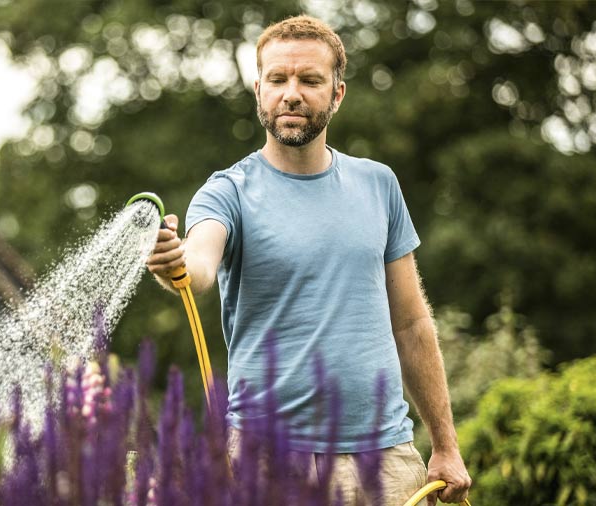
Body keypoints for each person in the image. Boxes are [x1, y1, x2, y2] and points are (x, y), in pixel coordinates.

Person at [147, 14, 472, 506]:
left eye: (309, 80)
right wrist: (173, 260)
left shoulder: (378, 185)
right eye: (277, 79)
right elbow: (199, 267)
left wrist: (446, 446)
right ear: (259, 90)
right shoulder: (227, 191)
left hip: (384, 458)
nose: (291, 93)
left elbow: (410, 322)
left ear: (337, 94)